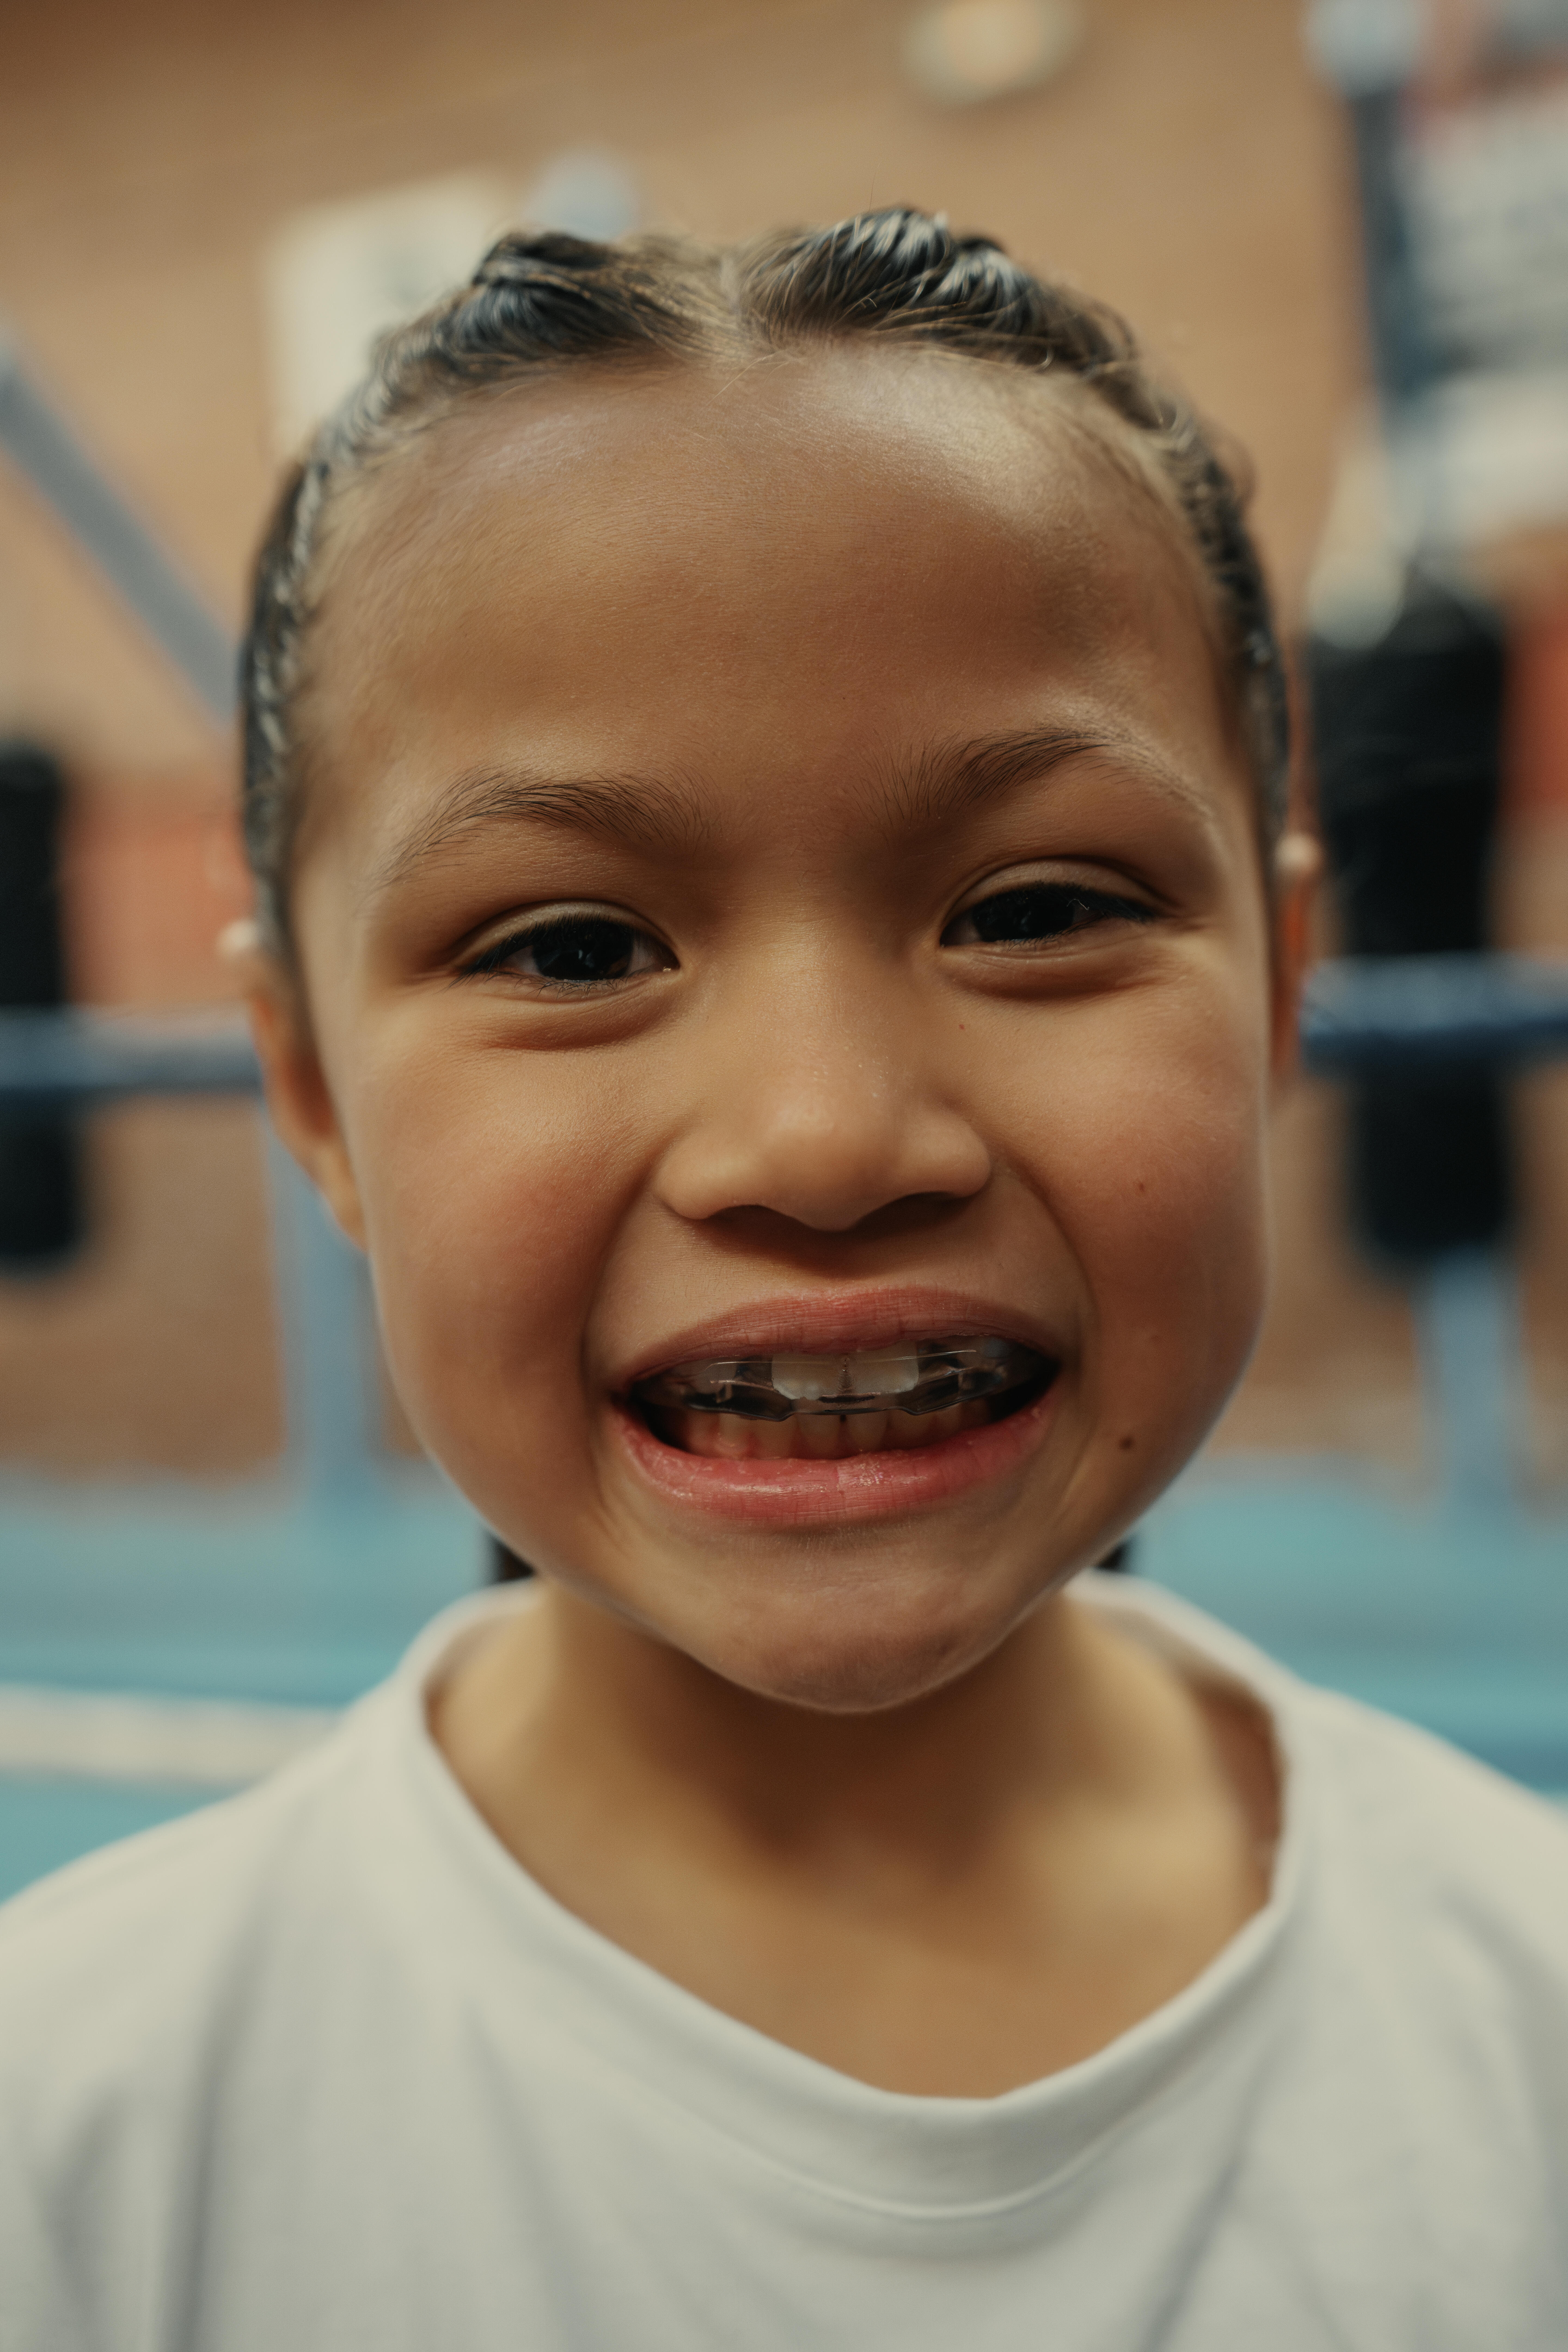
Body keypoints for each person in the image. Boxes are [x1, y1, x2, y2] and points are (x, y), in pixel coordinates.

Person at [2, 208, 1566, 2350]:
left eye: (1034, 909)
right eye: (570, 951)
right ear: (310, 1088)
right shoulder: (77, 2140)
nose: (825, 1140)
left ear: (1289, 977)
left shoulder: (1523, 2022)